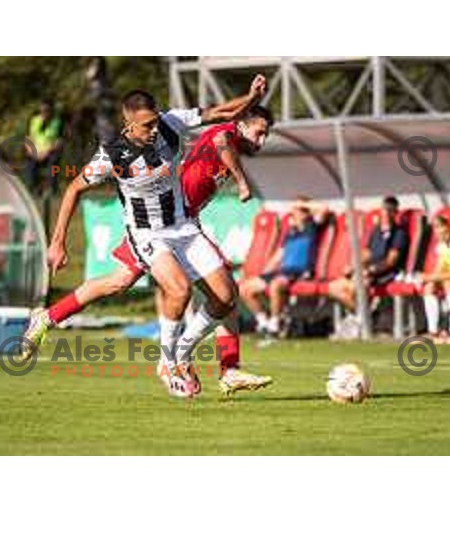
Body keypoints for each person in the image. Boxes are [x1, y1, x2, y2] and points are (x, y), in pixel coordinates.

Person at [24, 76, 268, 398]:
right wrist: (57, 242)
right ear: (128, 123)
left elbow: (221, 113)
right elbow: (73, 188)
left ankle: (180, 354)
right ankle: (169, 362)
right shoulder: (111, 155)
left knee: (226, 296)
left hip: (183, 226)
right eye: (146, 125)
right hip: (147, 234)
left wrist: (249, 97)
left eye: (155, 121)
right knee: (177, 290)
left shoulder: (170, 123)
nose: (154, 129)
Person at [239, 197, 327, 338]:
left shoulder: (312, 227)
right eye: (294, 210)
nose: (295, 213)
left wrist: (301, 204)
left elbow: (323, 209)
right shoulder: (290, 233)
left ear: (307, 212)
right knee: (244, 288)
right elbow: (278, 257)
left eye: (300, 210)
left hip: (300, 272)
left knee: (276, 285)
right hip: (282, 272)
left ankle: (275, 324)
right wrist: (264, 274)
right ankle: (263, 322)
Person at [329, 195, 408, 320]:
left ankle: (360, 320)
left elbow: (391, 261)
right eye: (384, 209)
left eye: (390, 210)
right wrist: (353, 266)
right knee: (333, 288)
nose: (386, 213)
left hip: (384, 273)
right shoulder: (376, 230)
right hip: (367, 271)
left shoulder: (399, 233)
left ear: (395, 213)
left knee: (355, 287)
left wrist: (371, 270)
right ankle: (366, 316)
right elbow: (367, 253)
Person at [25, 99, 65, 195]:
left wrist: (46, 152)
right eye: (42, 110)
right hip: (35, 152)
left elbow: (59, 141)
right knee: (30, 162)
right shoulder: (34, 120)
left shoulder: (57, 122)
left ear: (51, 111)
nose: (44, 113)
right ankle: (33, 189)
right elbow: (28, 139)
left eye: (46, 110)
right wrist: (31, 151)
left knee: (54, 160)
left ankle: (52, 189)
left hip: (50, 152)